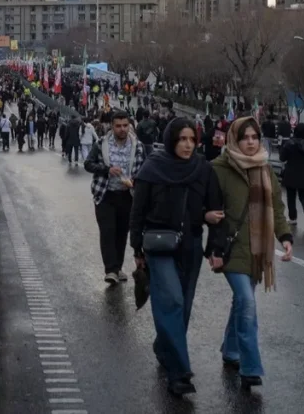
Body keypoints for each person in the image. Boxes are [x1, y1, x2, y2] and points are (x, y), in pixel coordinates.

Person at [128, 117, 225, 397]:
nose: (187, 145)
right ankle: (179, 372)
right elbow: (138, 211)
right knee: (171, 300)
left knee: (184, 305)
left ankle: (164, 346)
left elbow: (216, 210)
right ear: (171, 140)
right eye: (182, 139)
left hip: (190, 245)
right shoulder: (153, 168)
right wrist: (137, 249)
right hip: (159, 246)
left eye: (192, 139)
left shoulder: (202, 169)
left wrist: (215, 246)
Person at [210, 117, 293, 390]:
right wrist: (211, 239)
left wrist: (285, 237)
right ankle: (250, 367)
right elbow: (207, 208)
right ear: (234, 140)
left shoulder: (265, 167)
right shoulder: (218, 169)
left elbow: (276, 208)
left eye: (254, 137)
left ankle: (231, 349)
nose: (250, 142)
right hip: (231, 249)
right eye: (244, 137)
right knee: (246, 302)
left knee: (241, 302)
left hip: (258, 249)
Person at [83, 111, 146, 284]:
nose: (122, 129)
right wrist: (107, 170)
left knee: (121, 233)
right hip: (105, 195)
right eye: (118, 126)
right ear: (112, 126)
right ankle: (110, 270)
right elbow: (88, 164)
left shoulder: (138, 146)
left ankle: (118, 268)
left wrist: (135, 181)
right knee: (108, 231)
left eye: (125, 125)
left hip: (127, 195)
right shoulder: (101, 144)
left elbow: (145, 169)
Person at [279, 123, 304, 227]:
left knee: (291, 197)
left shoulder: (289, 143)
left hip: (291, 173)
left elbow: (282, 158)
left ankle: (293, 218)